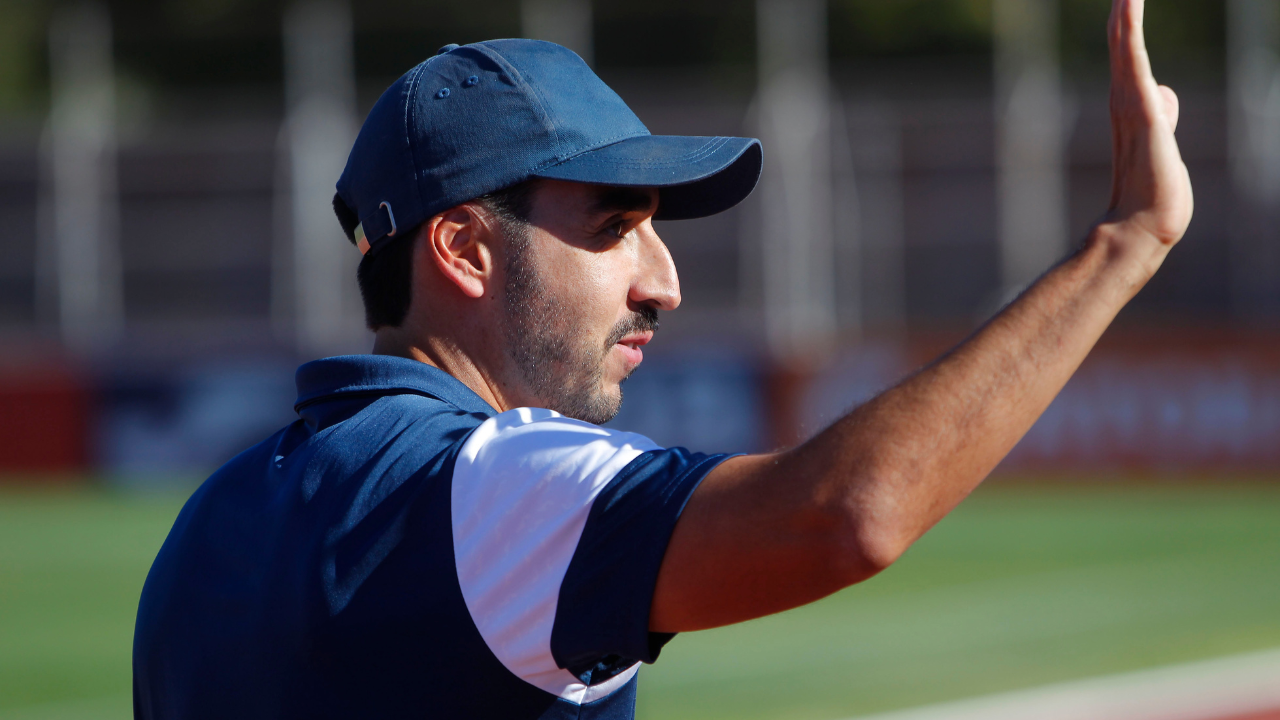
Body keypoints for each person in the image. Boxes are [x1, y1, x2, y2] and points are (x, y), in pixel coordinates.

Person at [132, 1, 1192, 718]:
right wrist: (1123, 242)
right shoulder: (492, 483)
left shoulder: (201, 530)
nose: (662, 280)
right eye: (612, 225)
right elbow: (842, 515)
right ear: (462, 247)